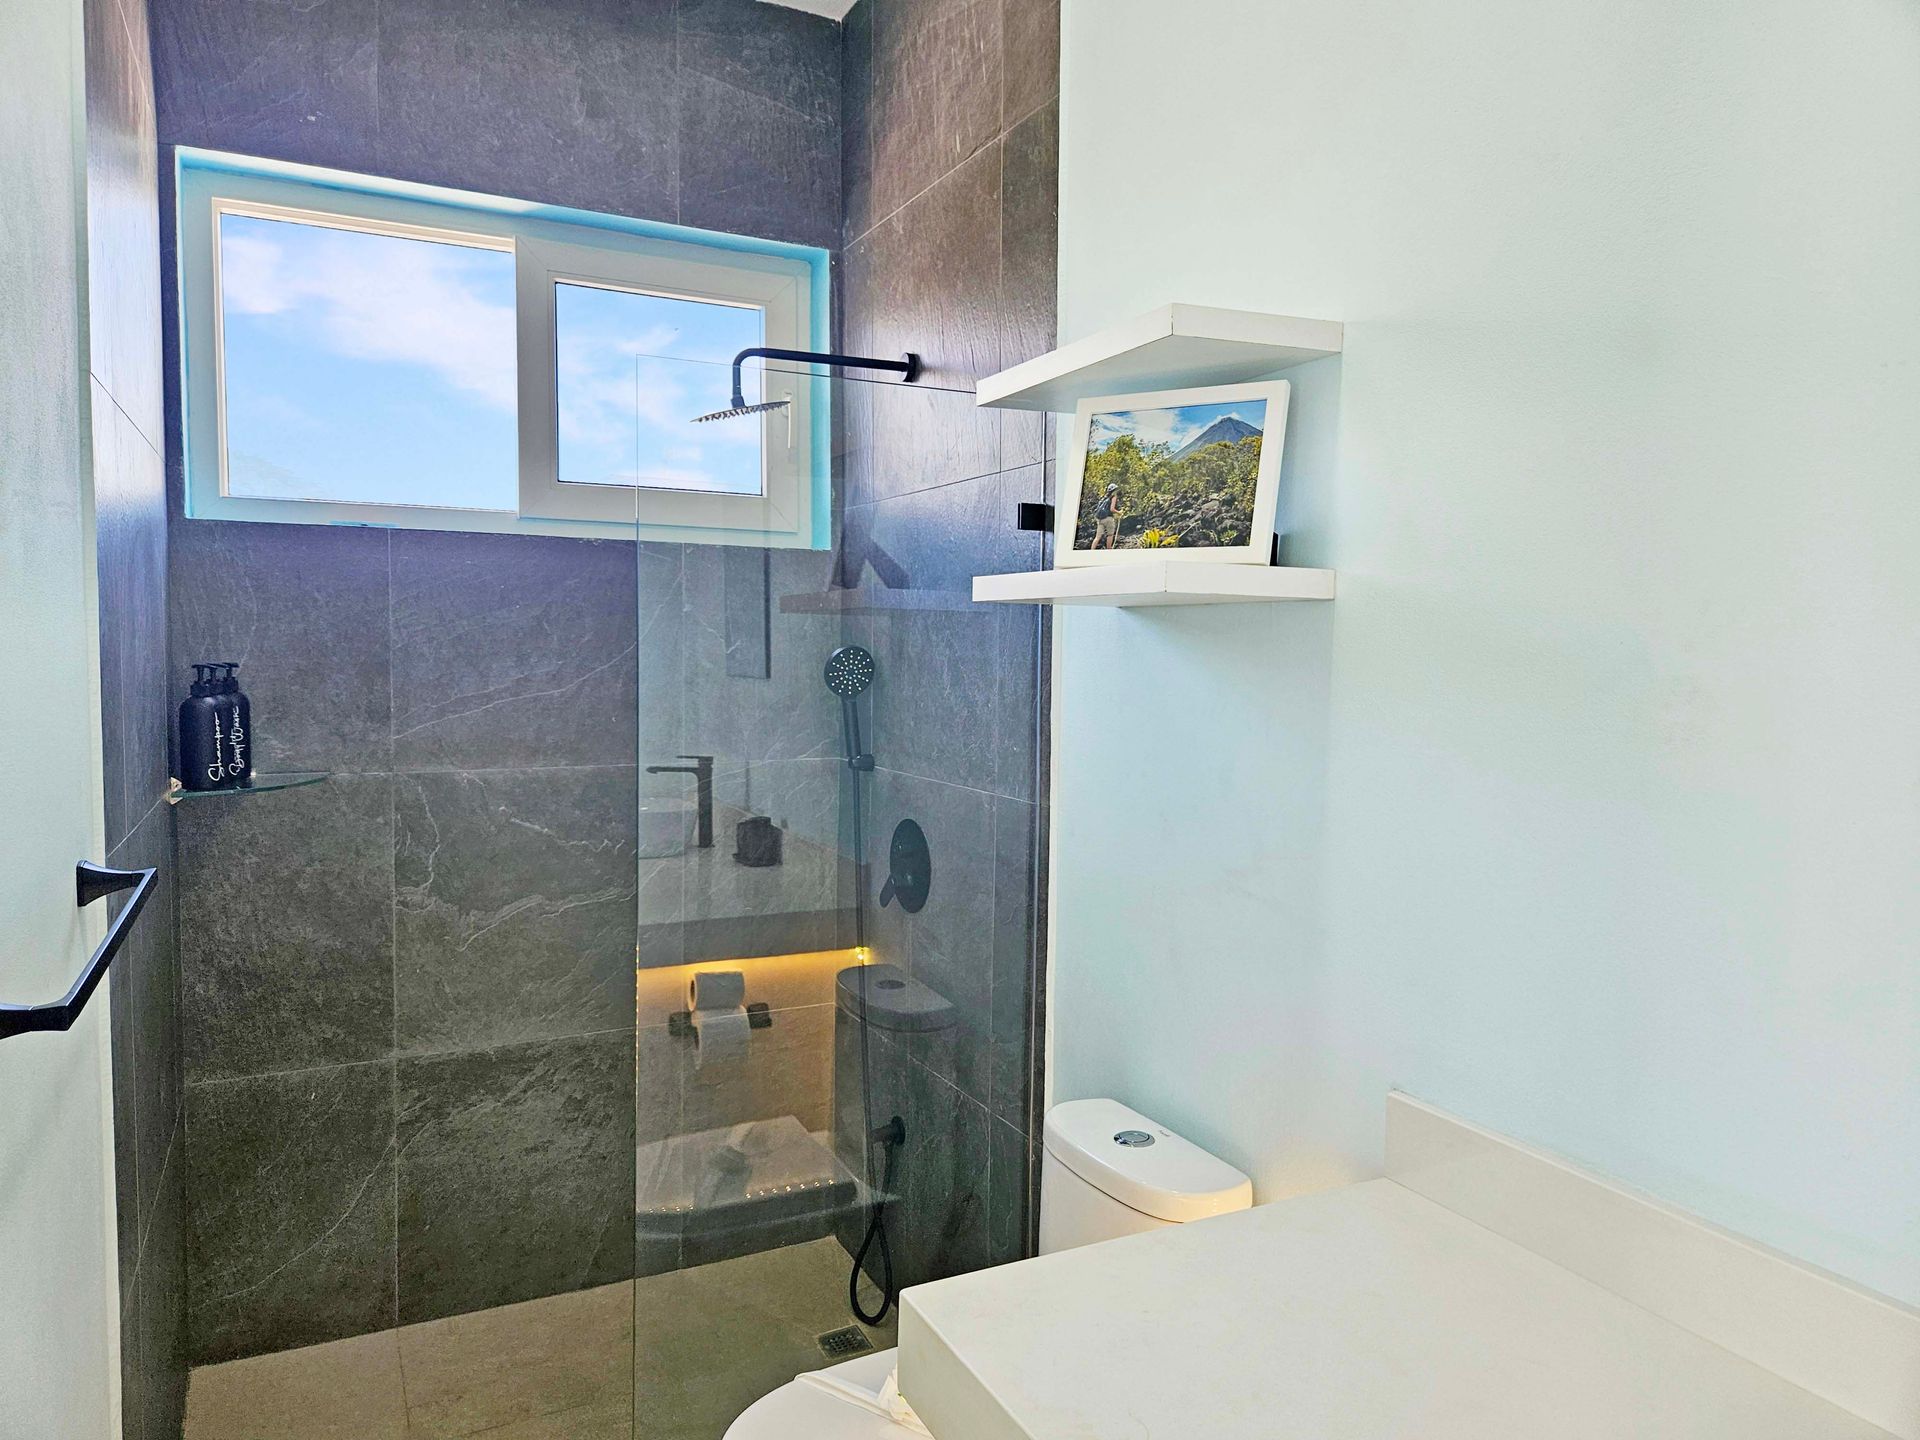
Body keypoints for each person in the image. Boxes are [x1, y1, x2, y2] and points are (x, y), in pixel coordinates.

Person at [1092, 482, 1123, 549]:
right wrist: (1119, 512)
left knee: (1097, 537)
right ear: (1114, 490)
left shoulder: (1104, 498)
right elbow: (1112, 509)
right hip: (1108, 519)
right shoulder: (1113, 497)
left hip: (1100, 519)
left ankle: (1091, 551)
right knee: (1110, 535)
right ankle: (1109, 550)